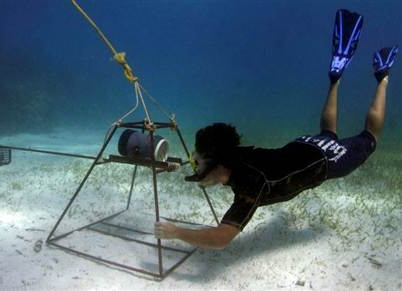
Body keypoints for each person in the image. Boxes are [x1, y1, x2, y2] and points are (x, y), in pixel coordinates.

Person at [154, 9, 398, 250]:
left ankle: (382, 76)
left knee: (369, 139)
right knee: (327, 133)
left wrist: (176, 232)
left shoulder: (251, 186)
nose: (195, 165)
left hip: (325, 160)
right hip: (302, 147)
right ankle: (336, 76)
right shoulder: (234, 155)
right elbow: (220, 162)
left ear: (219, 163)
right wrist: (205, 172)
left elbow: (221, 239)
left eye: (197, 162)